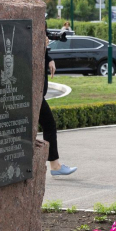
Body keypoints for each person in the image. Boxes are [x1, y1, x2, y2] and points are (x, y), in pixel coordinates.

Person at [41, 23, 77, 176]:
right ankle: (55, 166)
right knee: (48, 124)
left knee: (48, 125)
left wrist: (48, 58)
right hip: (30, 93)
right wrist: (41, 46)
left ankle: (55, 166)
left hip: (37, 93)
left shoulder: (37, 22)